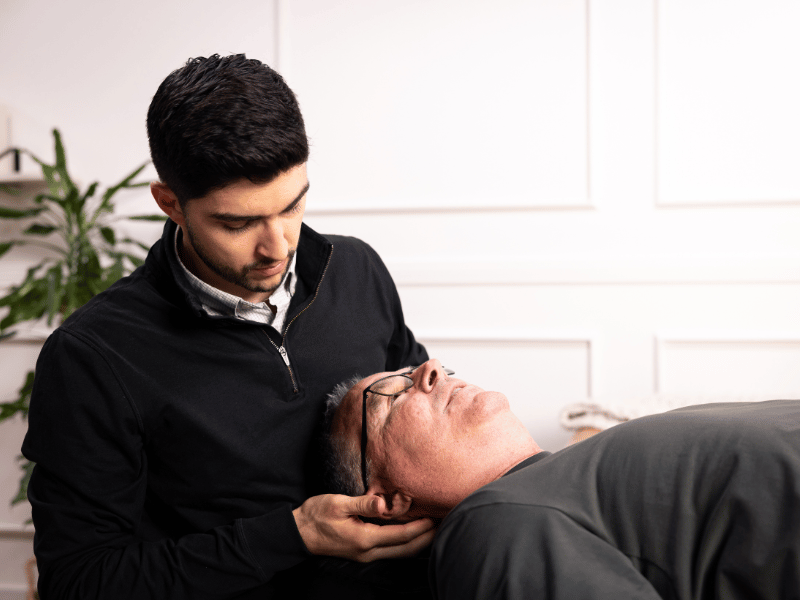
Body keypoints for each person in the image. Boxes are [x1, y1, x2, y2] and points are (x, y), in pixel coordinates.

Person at [21, 54, 435, 600]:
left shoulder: (356, 269)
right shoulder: (92, 356)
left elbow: (421, 426)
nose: (278, 247)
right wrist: (293, 536)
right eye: (238, 224)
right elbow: (81, 580)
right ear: (170, 203)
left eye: (292, 206)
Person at [325, 359, 800, 599]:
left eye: (429, 368)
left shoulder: (576, 471)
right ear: (388, 501)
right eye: (392, 395)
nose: (431, 369)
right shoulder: (490, 528)